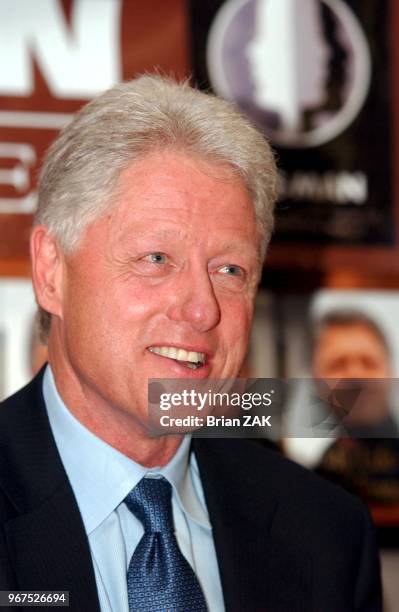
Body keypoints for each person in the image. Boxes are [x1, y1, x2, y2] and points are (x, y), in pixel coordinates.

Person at [0, 75, 381, 611]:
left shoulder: (327, 537)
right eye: (156, 259)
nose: (203, 310)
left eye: (230, 269)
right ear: (51, 271)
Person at [311, 309, 399, 507]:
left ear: (390, 373)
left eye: (369, 363)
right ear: (316, 381)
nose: (355, 375)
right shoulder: (311, 482)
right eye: (338, 364)